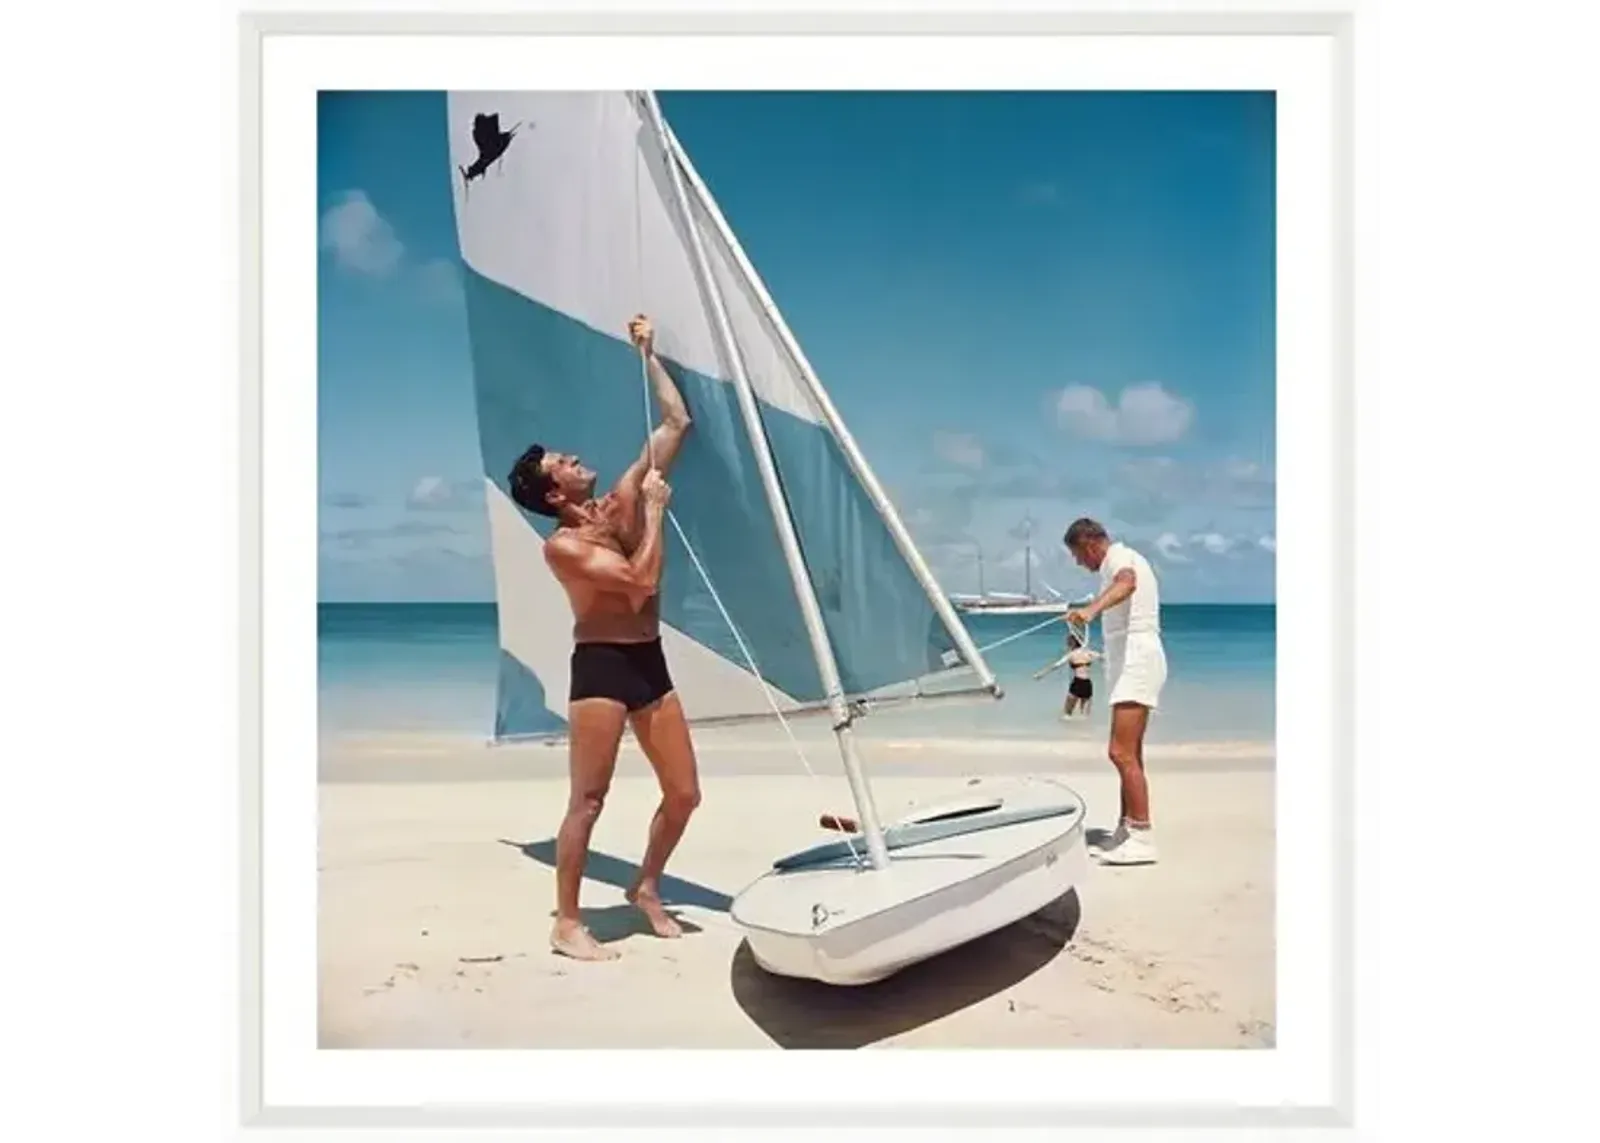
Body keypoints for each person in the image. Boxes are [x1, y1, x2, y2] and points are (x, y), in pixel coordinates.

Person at [506, 314, 699, 960]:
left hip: (649, 660)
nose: (572, 455)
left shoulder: (618, 503)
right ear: (554, 490)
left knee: (685, 792)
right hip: (601, 669)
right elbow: (640, 583)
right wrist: (658, 512)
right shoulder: (564, 547)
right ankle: (566, 922)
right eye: (561, 460)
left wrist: (648, 353)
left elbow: (676, 424)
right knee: (588, 799)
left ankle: (644, 886)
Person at [1063, 518, 1168, 866]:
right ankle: (1126, 830)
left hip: (1138, 662)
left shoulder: (1121, 560)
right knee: (1130, 753)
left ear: (1091, 544)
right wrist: (1078, 631)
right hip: (1132, 662)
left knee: (1119, 752)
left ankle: (1141, 836)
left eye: (1078, 555)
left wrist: (1091, 610)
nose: (1080, 564)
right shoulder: (1115, 563)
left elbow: (1128, 584)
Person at [1032, 629, 1100, 718]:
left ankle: (1066, 730)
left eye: (1068, 642)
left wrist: (1041, 674)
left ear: (1073, 643)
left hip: (1077, 683)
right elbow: (1104, 657)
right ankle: (1085, 731)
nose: (1067, 644)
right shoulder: (1090, 653)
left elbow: (1056, 666)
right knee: (1085, 715)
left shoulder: (1071, 655)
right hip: (1088, 684)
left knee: (1067, 714)